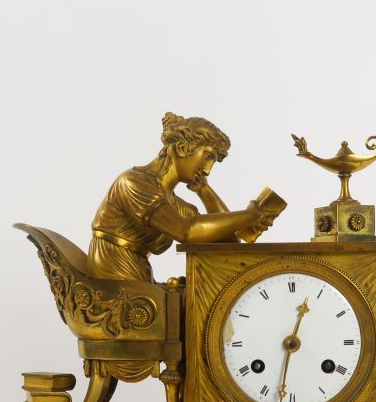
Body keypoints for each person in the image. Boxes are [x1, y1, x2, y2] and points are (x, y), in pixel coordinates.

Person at [88, 112, 273, 281]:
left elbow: (227, 240)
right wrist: (250, 215)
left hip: (138, 276)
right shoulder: (133, 183)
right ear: (182, 148)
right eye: (207, 157)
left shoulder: (175, 205)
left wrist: (205, 190)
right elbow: (187, 232)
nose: (207, 170)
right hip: (113, 279)